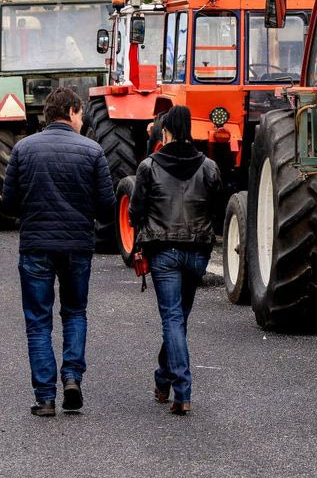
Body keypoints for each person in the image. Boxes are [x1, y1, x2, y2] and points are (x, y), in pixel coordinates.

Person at [2, 87, 115, 417]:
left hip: (36, 246)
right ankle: (72, 378)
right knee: (75, 312)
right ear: (71, 111)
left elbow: (8, 204)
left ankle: (45, 398)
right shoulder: (93, 151)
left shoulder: (23, 149)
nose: (82, 120)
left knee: (38, 322)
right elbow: (107, 207)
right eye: (80, 114)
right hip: (77, 246)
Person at [129, 106, 222, 415]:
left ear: (165, 132)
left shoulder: (149, 166)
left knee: (172, 320)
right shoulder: (209, 167)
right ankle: (162, 379)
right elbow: (218, 208)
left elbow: (135, 212)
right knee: (178, 319)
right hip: (197, 252)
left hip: (163, 252)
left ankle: (182, 392)